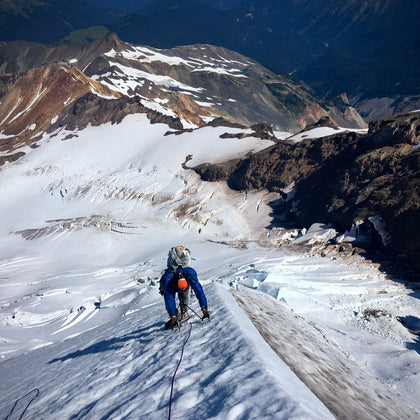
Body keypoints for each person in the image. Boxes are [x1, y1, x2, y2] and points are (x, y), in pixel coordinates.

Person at [160, 245, 209, 329]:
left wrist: (204, 309)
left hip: (179, 281)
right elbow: (198, 290)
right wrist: (204, 308)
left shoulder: (187, 274)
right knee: (180, 294)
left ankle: (180, 313)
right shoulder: (172, 277)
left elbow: (169, 298)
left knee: (180, 295)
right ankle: (180, 313)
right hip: (178, 282)